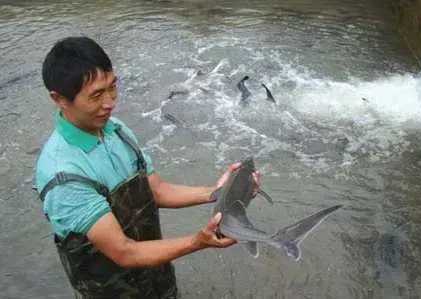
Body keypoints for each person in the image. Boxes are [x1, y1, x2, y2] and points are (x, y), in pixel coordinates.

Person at [34, 36, 260, 299]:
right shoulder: (63, 176)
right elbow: (124, 251)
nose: (109, 102)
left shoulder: (117, 131)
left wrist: (219, 192)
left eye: (112, 87)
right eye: (96, 95)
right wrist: (197, 242)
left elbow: (157, 190)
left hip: (157, 276)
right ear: (59, 98)